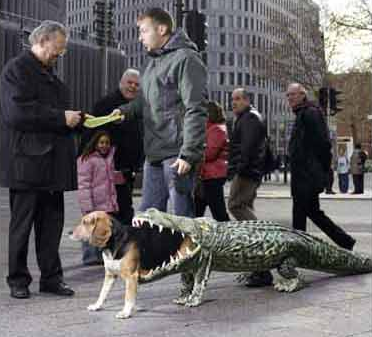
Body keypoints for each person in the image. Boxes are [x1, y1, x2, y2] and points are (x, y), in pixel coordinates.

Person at [0, 21, 81, 298]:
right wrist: (61, 117)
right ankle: (18, 281)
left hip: (51, 165)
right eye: (57, 49)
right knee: (22, 226)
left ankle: (51, 278)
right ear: (43, 40)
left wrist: (78, 120)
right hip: (27, 163)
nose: (59, 54)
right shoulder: (16, 70)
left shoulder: (48, 74)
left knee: (51, 225)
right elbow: (16, 113)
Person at [114, 7, 208, 217]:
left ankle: (185, 251)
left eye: (144, 31)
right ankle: (154, 251)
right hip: (154, 153)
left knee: (181, 221)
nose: (140, 38)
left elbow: (196, 108)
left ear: (162, 29)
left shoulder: (186, 59)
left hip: (176, 154)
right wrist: (122, 112)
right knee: (148, 218)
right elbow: (145, 102)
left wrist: (189, 154)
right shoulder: (153, 62)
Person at [286, 83, 355, 250]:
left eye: (293, 94)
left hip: (308, 174)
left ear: (303, 95)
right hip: (304, 174)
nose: (290, 98)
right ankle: (345, 241)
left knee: (302, 212)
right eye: (288, 95)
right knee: (311, 212)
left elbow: (323, 144)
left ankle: (299, 250)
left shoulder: (310, 113)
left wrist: (324, 170)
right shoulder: (303, 113)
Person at [80, 68, 143, 225]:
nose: (133, 87)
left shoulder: (138, 108)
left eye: (136, 84)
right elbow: (91, 137)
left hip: (126, 172)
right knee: (111, 216)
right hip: (107, 173)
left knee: (123, 213)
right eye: (129, 82)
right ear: (121, 83)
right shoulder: (105, 105)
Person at [227, 88, 273, 287]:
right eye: (232, 100)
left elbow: (248, 148)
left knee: (236, 206)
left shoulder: (250, 119)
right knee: (244, 208)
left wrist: (238, 170)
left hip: (246, 172)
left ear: (247, 100)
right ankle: (258, 267)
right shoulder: (247, 117)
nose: (234, 103)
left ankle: (261, 240)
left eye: (238, 99)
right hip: (249, 171)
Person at [77, 131, 120, 265]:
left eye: (107, 143)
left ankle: (102, 255)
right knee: (90, 230)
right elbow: (84, 185)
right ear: (95, 143)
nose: (104, 145)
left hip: (106, 202)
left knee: (103, 230)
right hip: (94, 203)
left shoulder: (108, 159)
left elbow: (111, 179)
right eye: (101, 142)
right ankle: (90, 257)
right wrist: (87, 207)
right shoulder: (87, 160)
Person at [194, 101, 230, 221]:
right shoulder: (210, 129)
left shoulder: (217, 130)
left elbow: (209, 153)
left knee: (219, 213)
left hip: (212, 176)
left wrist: (195, 152)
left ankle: (228, 235)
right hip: (206, 176)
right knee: (196, 211)